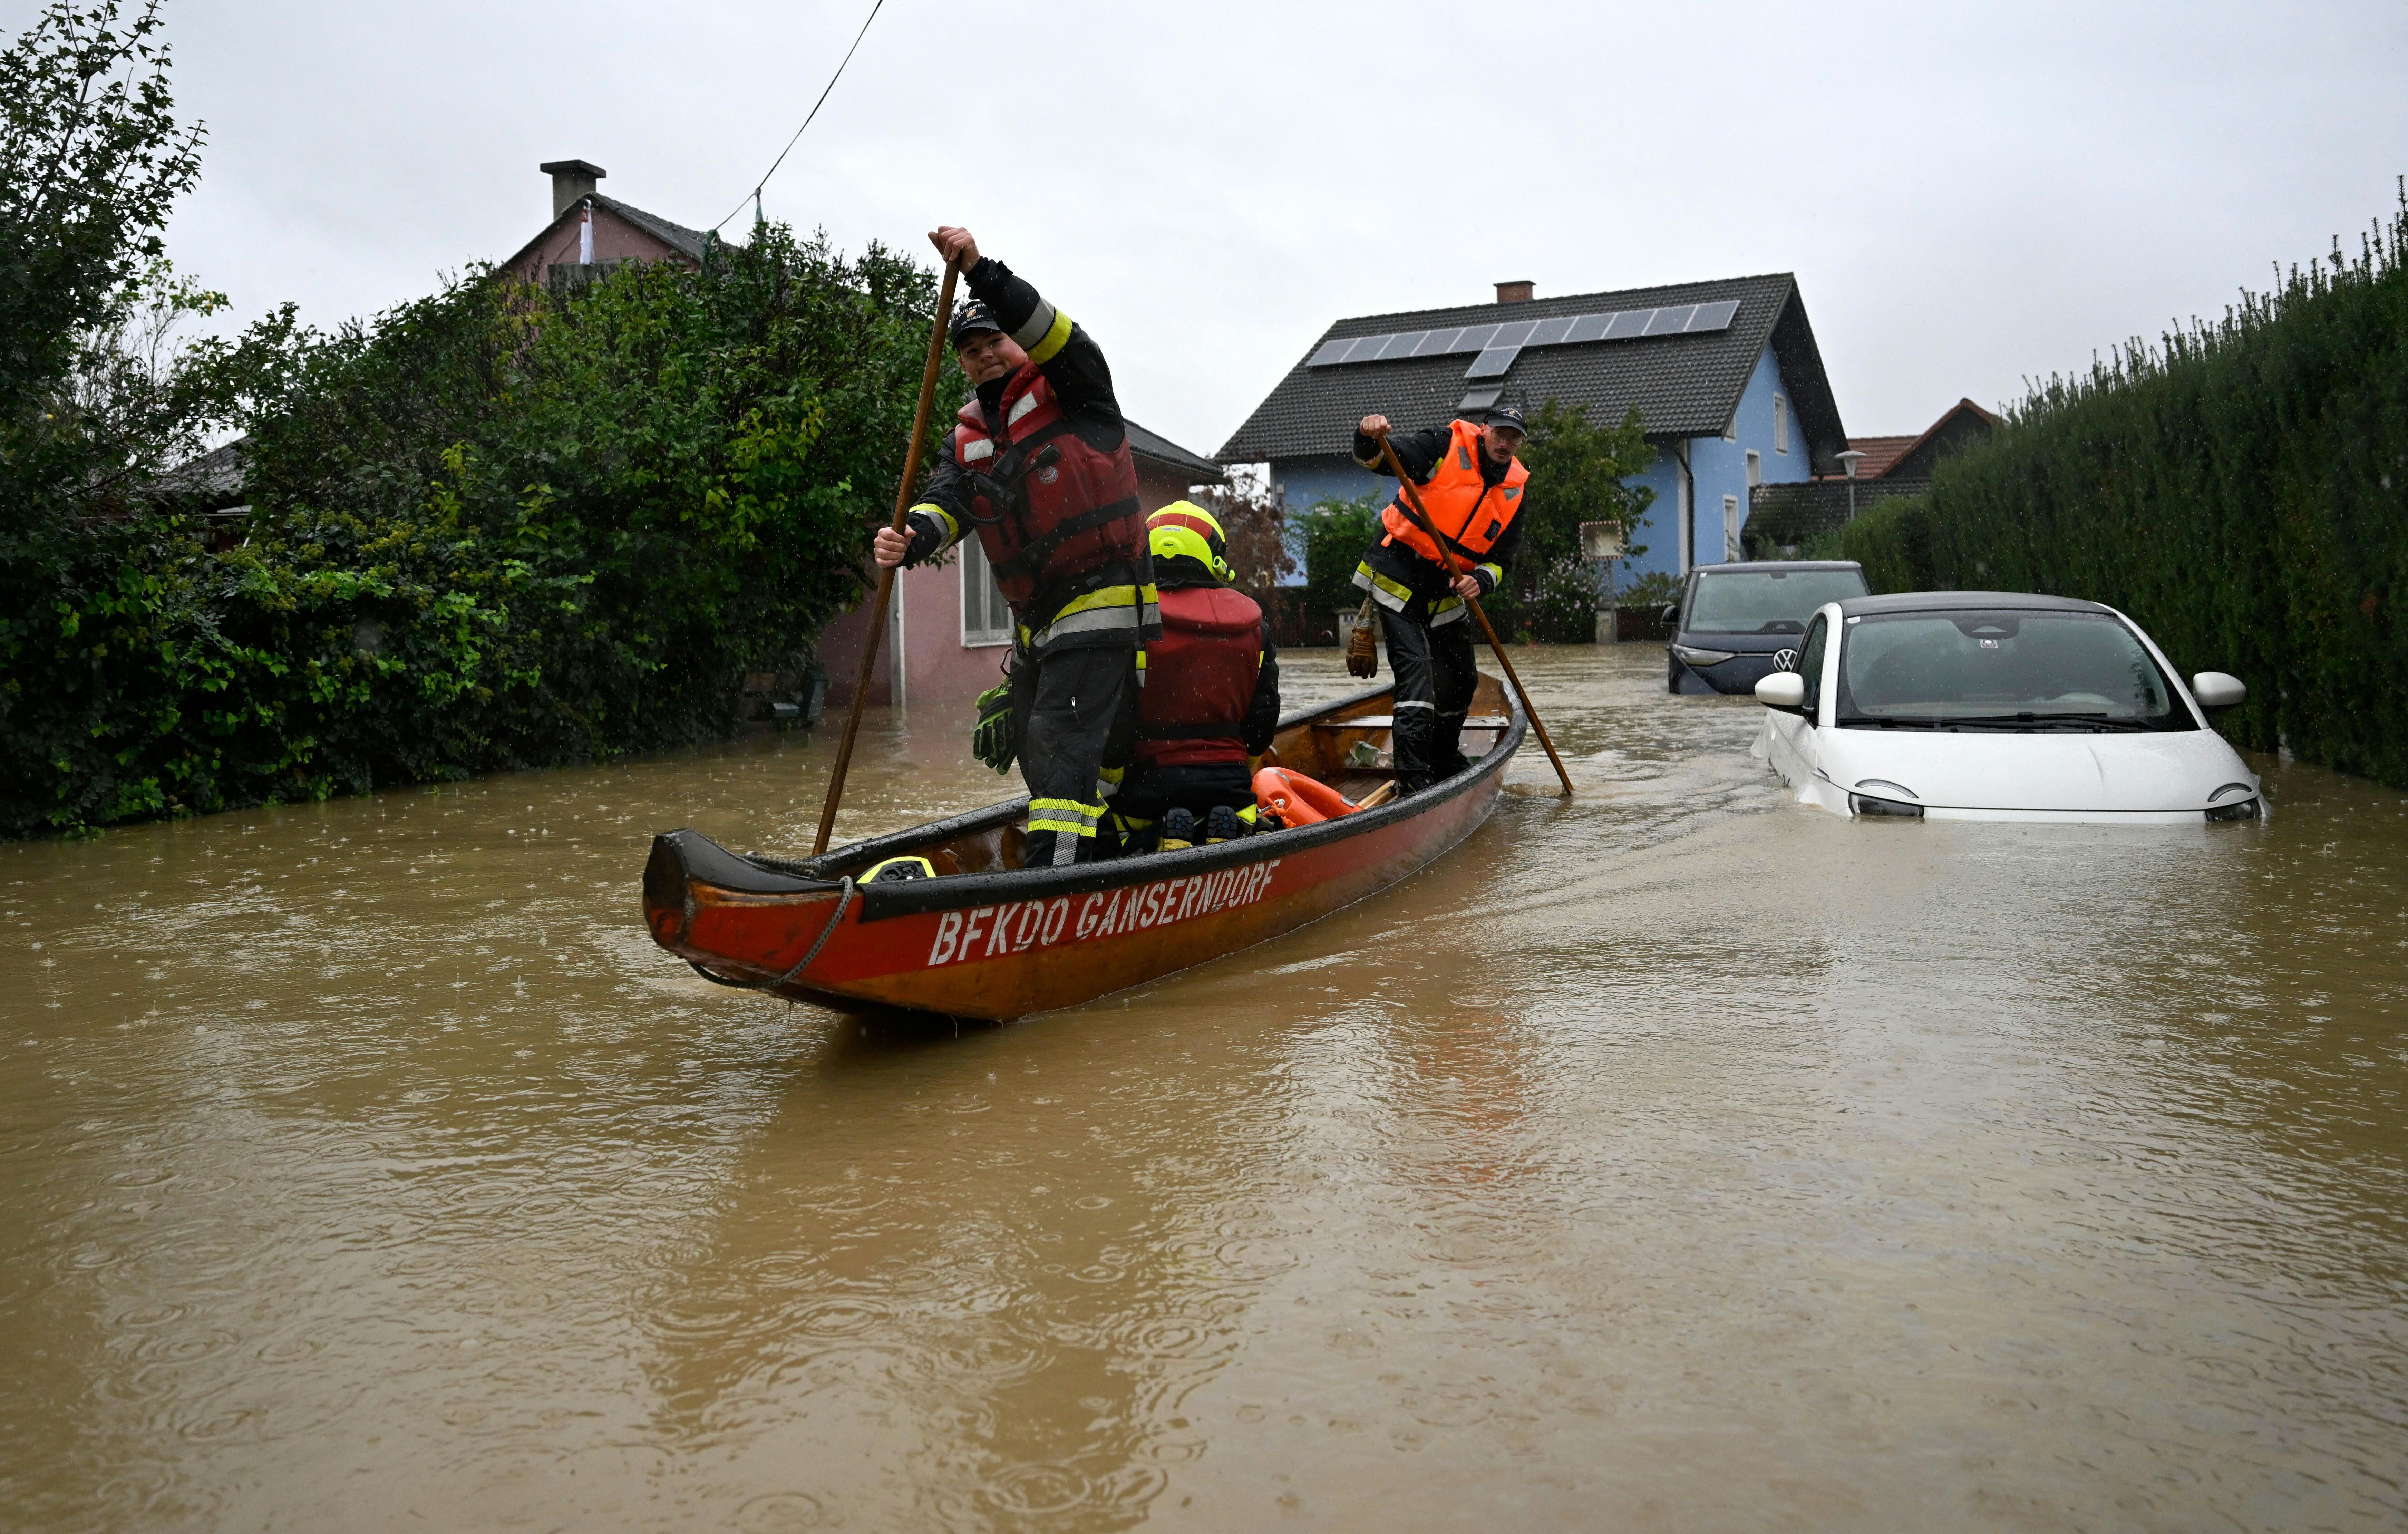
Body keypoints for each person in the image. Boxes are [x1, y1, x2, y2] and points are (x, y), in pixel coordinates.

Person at [874, 226, 1154, 867]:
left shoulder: (1078, 390)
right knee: (1039, 744)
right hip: (1035, 622)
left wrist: (980, 271)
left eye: (994, 341)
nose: (984, 357)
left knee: (1058, 739)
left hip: (1102, 599)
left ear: (1020, 344)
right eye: (969, 351)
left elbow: (1058, 334)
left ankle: (1049, 888)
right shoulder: (966, 436)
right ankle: (1100, 852)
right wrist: (908, 538)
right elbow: (946, 502)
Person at [1348, 400, 1530, 791]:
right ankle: (1414, 779)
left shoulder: (1516, 490)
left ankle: (1444, 756)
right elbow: (1383, 459)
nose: (1505, 443)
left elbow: (1502, 559)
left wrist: (1481, 579)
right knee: (1418, 677)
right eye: (1500, 433)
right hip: (1397, 573)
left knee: (1463, 679)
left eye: (1514, 438)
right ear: (1484, 429)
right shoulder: (1443, 444)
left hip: (1445, 586)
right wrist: (1368, 436)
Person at [1109, 501, 1280, 854]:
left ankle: (1157, 835)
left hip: (1149, 787)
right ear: (1213, 555)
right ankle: (1226, 825)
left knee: (1119, 831)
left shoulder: (1128, 622)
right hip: (1230, 784)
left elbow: (1116, 725)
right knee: (1245, 816)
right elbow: (1263, 721)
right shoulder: (1254, 628)